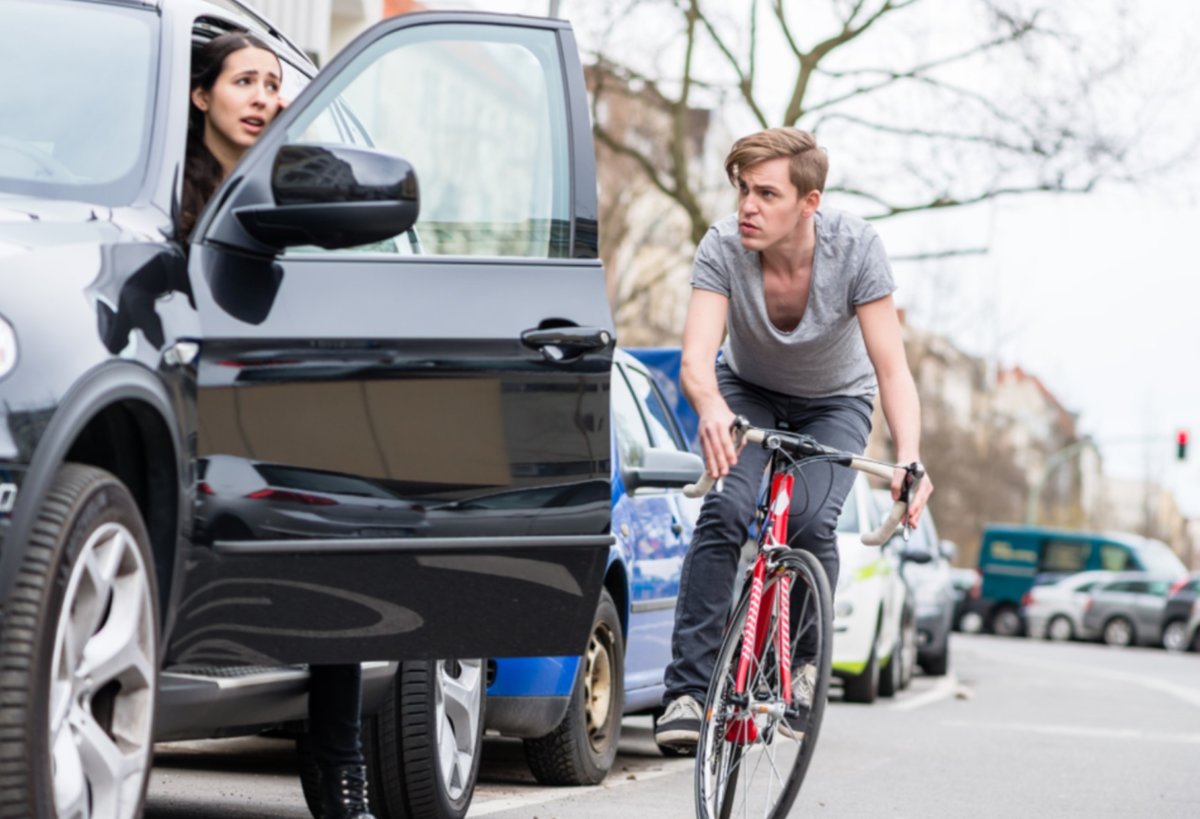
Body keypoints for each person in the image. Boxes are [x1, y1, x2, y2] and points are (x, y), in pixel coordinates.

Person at [654, 127, 934, 748]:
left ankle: (805, 663)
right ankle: (686, 691)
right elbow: (697, 358)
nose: (747, 206)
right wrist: (709, 408)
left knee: (808, 520)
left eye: (767, 193)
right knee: (726, 509)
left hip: (836, 401)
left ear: (809, 203)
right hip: (746, 390)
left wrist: (909, 459)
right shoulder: (723, 247)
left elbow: (892, 369)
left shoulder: (856, 249)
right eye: (743, 190)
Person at [182, 32, 375, 819]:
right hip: (185, 409)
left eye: (275, 84)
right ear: (201, 96)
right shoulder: (165, 193)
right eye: (245, 82)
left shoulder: (297, 190)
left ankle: (340, 769)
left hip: (283, 410)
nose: (263, 96)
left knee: (340, 552)